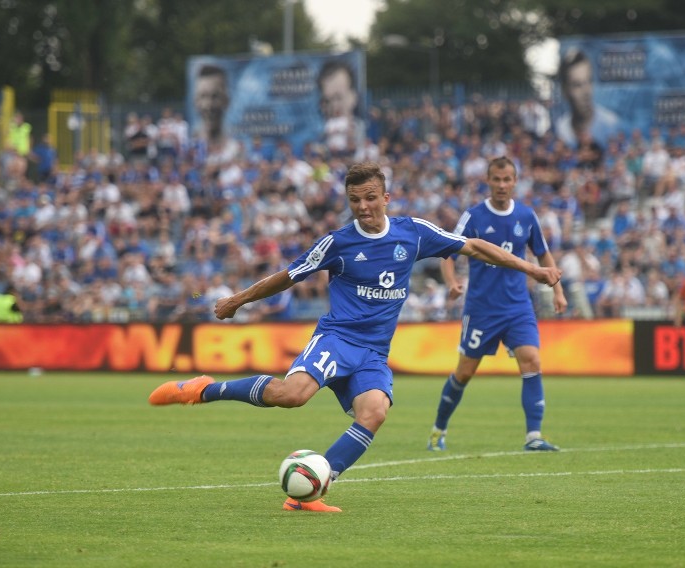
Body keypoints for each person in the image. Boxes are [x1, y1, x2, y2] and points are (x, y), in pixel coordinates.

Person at [148, 162, 562, 512]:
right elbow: (289, 276)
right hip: (337, 339)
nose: (362, 207)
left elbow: (473, 246)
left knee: (375, 412)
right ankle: (204, 389)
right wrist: (238, 300)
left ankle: (312, 489)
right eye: (354, 201)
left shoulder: (413, 232)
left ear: (386, 197)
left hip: (373, 354)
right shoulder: (338, 243)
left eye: (369, 198)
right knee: (291, 396)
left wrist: (534, 270)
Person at [427, 156, 567, 453]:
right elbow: (448, 253)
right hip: (481, 308)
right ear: (488, 181)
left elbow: (543, 255)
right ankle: (438, 430)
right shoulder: (474, 217)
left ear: (515, 182)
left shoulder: (527, 216)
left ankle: (534, 436)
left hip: (518, 307)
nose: (502, 185)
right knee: (464, 373)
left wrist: (557, 290)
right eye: (497, 179)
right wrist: (452, 283)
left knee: (532, 361)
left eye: (507, 180)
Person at [554, 48, 621, 148]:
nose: (586, 92)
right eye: (577, 85)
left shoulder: (610, 123)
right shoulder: (561, 127)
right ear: (565, 91)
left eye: (589, 81)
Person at [193, 63, 241, 168]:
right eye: (203, 96)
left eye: (215, 96)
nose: (209, 106)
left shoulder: (235, 147)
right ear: (195, 102)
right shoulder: (191, 147)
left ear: (226, 100)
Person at [317, 59, 365, 157]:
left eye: (338, 97)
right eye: (327, 100)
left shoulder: (361, 127)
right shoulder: (324, 125)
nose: (334, 105)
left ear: (353, 97)